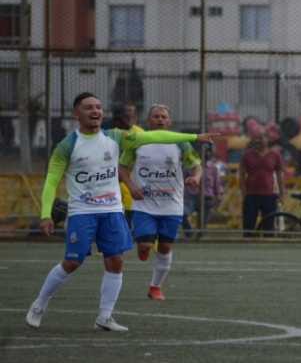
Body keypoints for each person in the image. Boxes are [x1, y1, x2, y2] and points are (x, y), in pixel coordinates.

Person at [25, 93, 215, 331]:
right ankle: (39, 304)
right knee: (73, 262)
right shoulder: (67, 145)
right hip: (83, 211)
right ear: (77, 114)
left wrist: (195, 136)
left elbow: (155, 136)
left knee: (116, 262)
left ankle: (105, 317)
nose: (95, 111)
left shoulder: (116, 137)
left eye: (98, 107)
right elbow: (51, 181)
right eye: (88, 108)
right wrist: (45, 214)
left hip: (113, 211)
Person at [118, 104, 202, 301]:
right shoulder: (137, 141)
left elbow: (196, 165)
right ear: (149, 121)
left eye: (164, 117)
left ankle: (155, 287)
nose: (160, 120)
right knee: (145, 246)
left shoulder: (180, 143)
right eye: (156, 116)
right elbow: (122, 167)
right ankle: (144, 247)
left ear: (169, 121)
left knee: (165, 248)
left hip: (171, 205)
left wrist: (196, 178)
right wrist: (131, 187)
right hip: (144, 204)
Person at [238, 133, 285, 237]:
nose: (259, 141)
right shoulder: (246, 155)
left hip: (269, 195)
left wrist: (282, 193)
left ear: (267, 140)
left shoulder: (275, 155)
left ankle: (268, 250)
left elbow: (280, 176)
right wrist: (243, 193)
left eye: (261, 138)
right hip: (251, 195)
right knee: (248, 226)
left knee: (269, 227)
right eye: (257, 139)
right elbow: (241, 175)